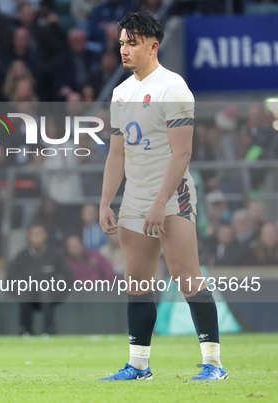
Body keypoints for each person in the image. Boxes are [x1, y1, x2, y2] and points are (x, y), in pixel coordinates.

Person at [99, 13, 226, 381]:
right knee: (137, 282)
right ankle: (138, 365)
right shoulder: (121, 93)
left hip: (172, 194)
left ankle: (214, 364)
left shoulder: (174, 87)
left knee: (187, 276)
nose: (124, 49)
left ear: (154, 46)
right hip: (135, 196)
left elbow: (181, 153)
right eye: (122, 42)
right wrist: (106, 201)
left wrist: (159, 203)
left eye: (132, 42)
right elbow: (117, 153)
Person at [6, 222, 74, 335]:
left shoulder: (55, 254)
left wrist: (59, 294)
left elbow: (69, 276)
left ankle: (48, 330)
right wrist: (18, 294)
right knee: (26, 288)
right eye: (33, 234)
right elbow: (9, 279)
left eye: (39, 233)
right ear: (29, 236)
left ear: (45, 235)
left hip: (49, 295)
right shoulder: (22, 256)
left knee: (45, 289)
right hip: (27, 296)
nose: (36, 237)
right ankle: (25, 330)